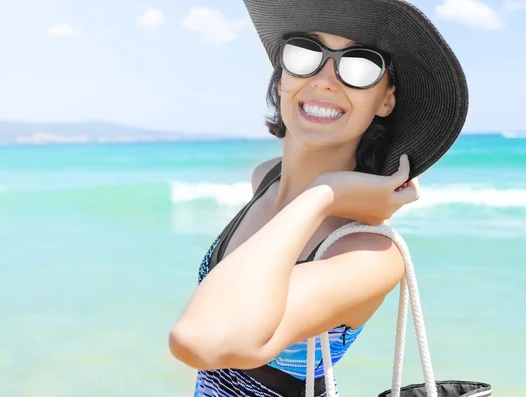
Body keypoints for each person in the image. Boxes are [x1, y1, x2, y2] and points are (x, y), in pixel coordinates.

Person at [168, 1, 469, 396]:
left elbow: (201, 340)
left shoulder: (368, 253)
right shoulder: (266, 179)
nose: (325, 80)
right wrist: (320, 194)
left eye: (360, 66)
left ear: (385, 100)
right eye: (305, 53)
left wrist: (326, 194)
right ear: (281, 78)